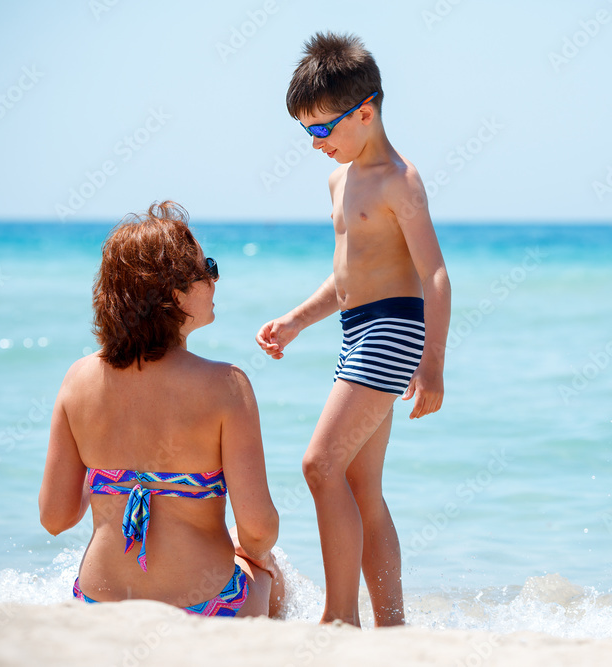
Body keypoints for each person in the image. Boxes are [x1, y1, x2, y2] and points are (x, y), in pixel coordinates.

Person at [256, 32, 451, 627]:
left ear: (364, 112)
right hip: (356, 327)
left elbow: (435, 273)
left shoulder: (399, 179)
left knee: (320, 465)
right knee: (361, 484)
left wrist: (434, 362)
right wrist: (294, 321)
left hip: (395, 329)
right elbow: (346, 282)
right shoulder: (340, 180)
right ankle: (391, 626)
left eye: (323, 129)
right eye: (306, 132)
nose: (316, 144)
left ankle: (339, 617)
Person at [39, 201, 283, 618]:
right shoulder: (226, 385)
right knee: (271, 574)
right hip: (205, 605)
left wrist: (110, 474)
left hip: (98, 603)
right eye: (206, 268)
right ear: (176, 295)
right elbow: (258, 529)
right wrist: (257, 555)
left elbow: (55, 518)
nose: (214, 279)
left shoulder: (77, 380)